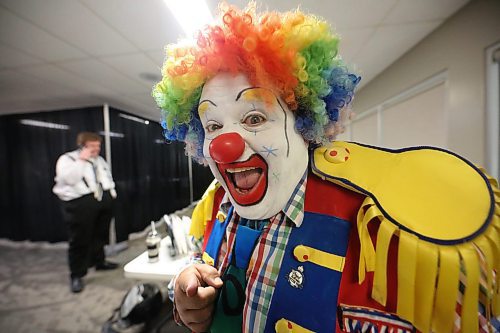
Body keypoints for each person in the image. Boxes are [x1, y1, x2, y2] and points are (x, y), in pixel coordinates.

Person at [153, 3, 500, 333]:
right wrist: (186, 285)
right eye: (212, 126)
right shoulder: (217, 202)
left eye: (254, 117)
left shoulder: (380, 229)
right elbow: (200, 256)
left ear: (304, 127)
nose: (223, 145)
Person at [53, 132, 118, 293]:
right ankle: (77, 274)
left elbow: (106, 176)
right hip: (79, 202)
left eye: (98, 146)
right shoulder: (67, 159)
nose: (96, 149)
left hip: (102, 199)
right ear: (82, 145)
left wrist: (112, 192)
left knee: (100, 234)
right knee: (79, 238)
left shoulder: (99, 160)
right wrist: (82, 159)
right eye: (92, 146)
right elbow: (70, 179)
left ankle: (99, 261)